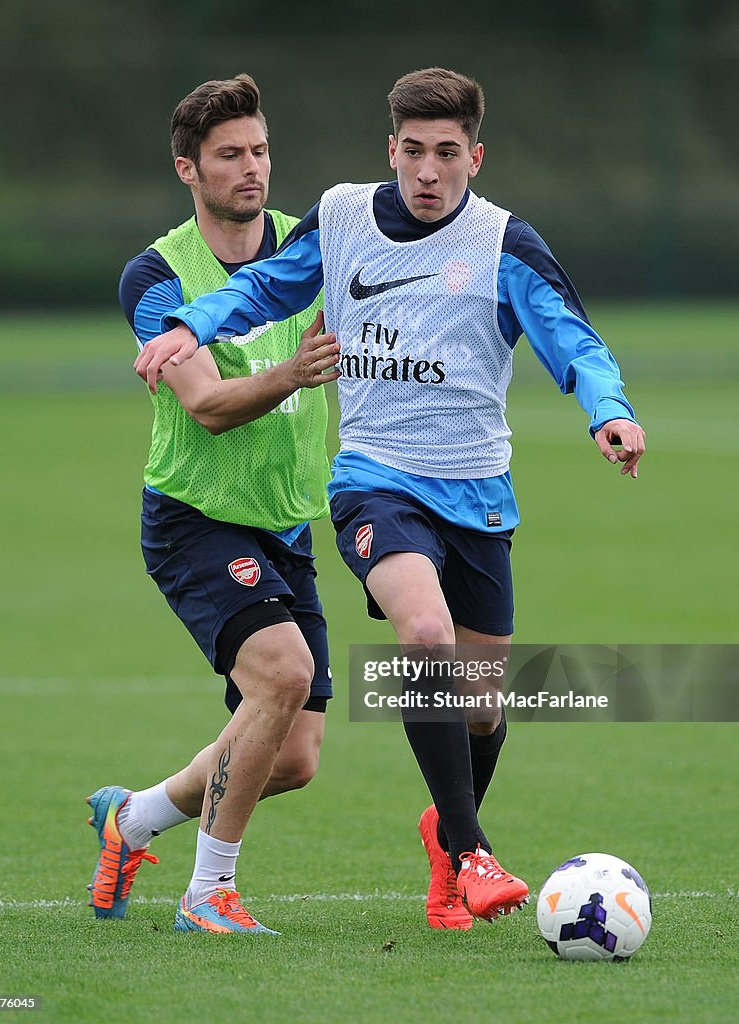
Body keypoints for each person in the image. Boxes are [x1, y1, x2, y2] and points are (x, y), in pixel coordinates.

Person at [134, 67, 646, 930]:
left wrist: (610, 411)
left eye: (448, 153)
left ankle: (445, 846)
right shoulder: (341, 219)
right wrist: (195, 323)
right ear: (392, 151)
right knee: (423, 632)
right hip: (375, 481)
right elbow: (265, 286)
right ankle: (473, 850)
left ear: (474, 158)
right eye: (413, 151)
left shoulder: (503, 245)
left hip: (478, 491)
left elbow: (574, 339)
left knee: (481, 705)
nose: (428, 171)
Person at [87, 75, 340, 936]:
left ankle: (134, 820)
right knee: (284, 676)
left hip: (287, 516)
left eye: (260, 150)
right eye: (229, 155)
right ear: (187, 169)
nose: (251, 168)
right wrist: (290, 373)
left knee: (294, 755)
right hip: (197, 515)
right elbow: (205, 403)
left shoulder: (314, 243)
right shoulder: (157, 277)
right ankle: (209, 894)